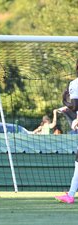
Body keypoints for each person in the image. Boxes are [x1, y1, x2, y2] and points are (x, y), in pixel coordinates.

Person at [55, 60, 78, 204]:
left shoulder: (75, 83)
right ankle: (70, 194)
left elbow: (75, 106)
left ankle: (70, 195)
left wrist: (65, 100)